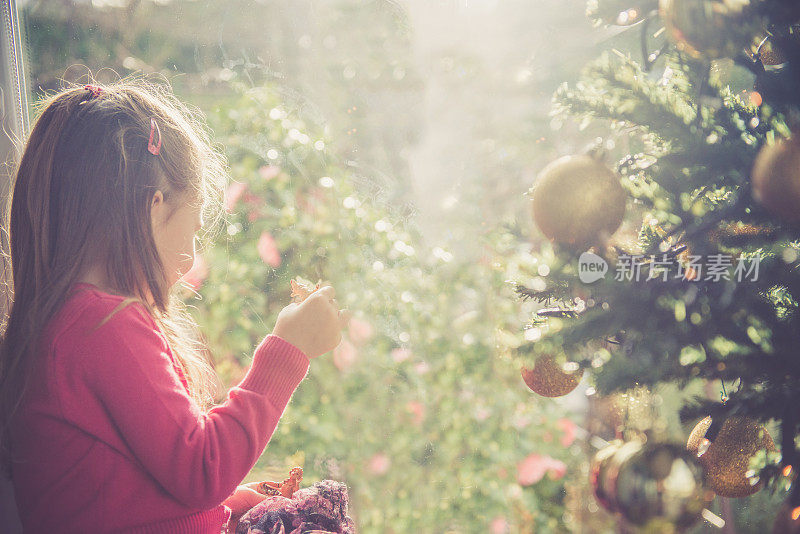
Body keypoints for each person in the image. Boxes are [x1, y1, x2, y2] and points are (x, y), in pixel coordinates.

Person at [0, 79, 347, 533]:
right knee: (330, 506)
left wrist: (232, 502)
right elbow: (202, 468)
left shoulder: (67, 322)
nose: (190, 258)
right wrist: (288, 349)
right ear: (153, 209)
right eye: (194, 228)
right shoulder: (104, 327)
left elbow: (134, 484)